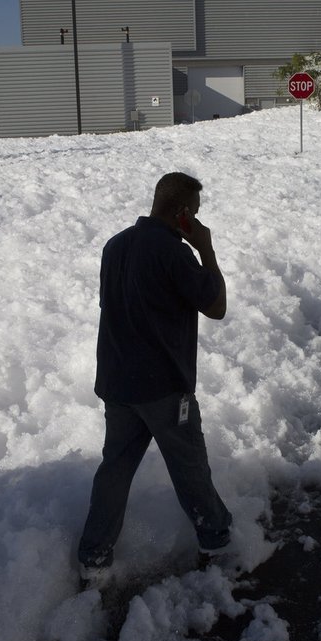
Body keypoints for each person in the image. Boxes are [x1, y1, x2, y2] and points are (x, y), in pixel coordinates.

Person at [78, 172, 233, 586]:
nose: (197, 221)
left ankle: (94, 556)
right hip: (163, 387)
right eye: (195, 213)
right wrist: (207, 249)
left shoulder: (115, 246)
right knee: (189, 467)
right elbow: (216, 306)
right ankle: (215, 540)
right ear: (183, 213)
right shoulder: (173, 251)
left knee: (115, 470)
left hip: (118, 384)